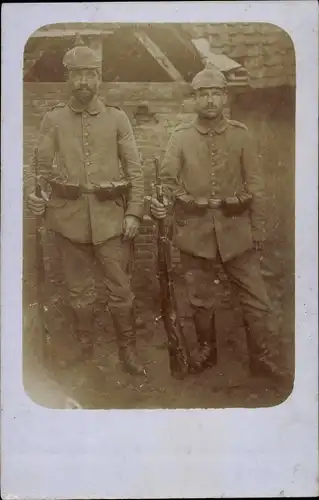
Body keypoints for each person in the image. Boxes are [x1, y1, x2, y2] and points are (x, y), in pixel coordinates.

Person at [150, 60, 288, 383]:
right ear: (194, 99)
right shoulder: (180, 138)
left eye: (215, 93)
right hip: (195, 231)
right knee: (200, 299)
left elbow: (256, 186)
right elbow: (167, 182)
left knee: (256, 298)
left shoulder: (241, 136)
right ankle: (207, 352)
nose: (210, 100)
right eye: (203, 94)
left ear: (225, 97)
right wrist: (161, 203)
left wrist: (257, 230)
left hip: (237, 231)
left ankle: (261, 358)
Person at [25, 35, 146, 376]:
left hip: (111, 221)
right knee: (79, 292)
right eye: (76, 74)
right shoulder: (54, 120)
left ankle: (128, 351)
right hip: (69, 220)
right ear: (68, 78)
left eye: (89, 73)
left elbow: (135, 170)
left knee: (120, 291)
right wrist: (34, 195)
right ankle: (85, 348)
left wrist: (134, 212)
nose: (83, 81)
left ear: (99, 77)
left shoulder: (117, 119)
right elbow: (40, 170)